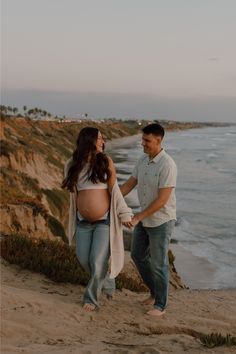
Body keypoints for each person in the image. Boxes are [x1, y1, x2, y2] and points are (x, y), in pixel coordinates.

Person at [62, 127, 133, 311]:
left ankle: (90, 299)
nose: (103, 141)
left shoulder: (105, 162)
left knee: (97, 261)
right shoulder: (72, 164)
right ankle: (108, 279)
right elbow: (73, 192)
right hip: (82, 222)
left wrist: (124, 213)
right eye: (99, 138)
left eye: (103, 138)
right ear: (88, 140)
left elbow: (114, 191)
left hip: (104, 222)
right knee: (83, 259)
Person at [120, 123, 177, 317]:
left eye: (147, 140)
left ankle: (161, 305)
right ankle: (154, 293)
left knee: (159, 263)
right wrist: (111, 198)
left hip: (161, 220)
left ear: (159, 141)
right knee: (137, 255)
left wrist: (137, 217)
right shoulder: (142, 160)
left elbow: (162, 200)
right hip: (144, 218)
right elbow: (129, 184)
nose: (142, 143)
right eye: (142, 139)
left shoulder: (168, 165)